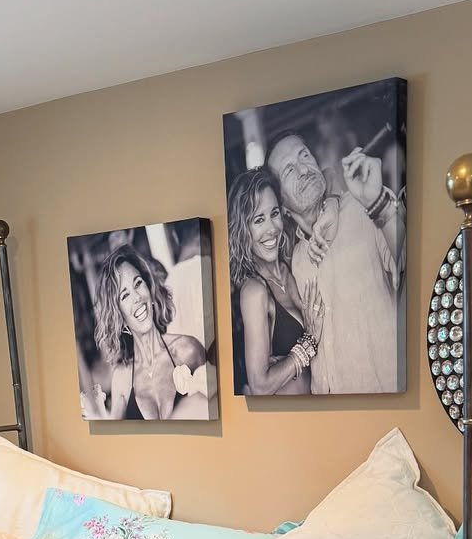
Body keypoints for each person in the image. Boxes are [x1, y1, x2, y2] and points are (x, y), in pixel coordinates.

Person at [266, 131, 404, 394]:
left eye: (304, 156)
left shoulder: (367, 207)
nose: (303, 169)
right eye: (289, 170)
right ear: (282, 205)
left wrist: (379, 205)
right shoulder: (297, 260)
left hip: (386, 400)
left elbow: (408, 261)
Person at [226, 168, 325, 396]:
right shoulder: (254, 292)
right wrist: (309, 342)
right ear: (243, 230)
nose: (271, 229)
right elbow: (260, 386)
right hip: (288, 416)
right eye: (258, 220)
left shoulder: (293, 263)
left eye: (274, 213)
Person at [82, 245, 209, 420]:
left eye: (138, 283)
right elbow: (113, 431)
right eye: (125, 295)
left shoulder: (188, 349)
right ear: (119, 315)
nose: (137, 297)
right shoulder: (122, 377)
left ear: (149, 287)